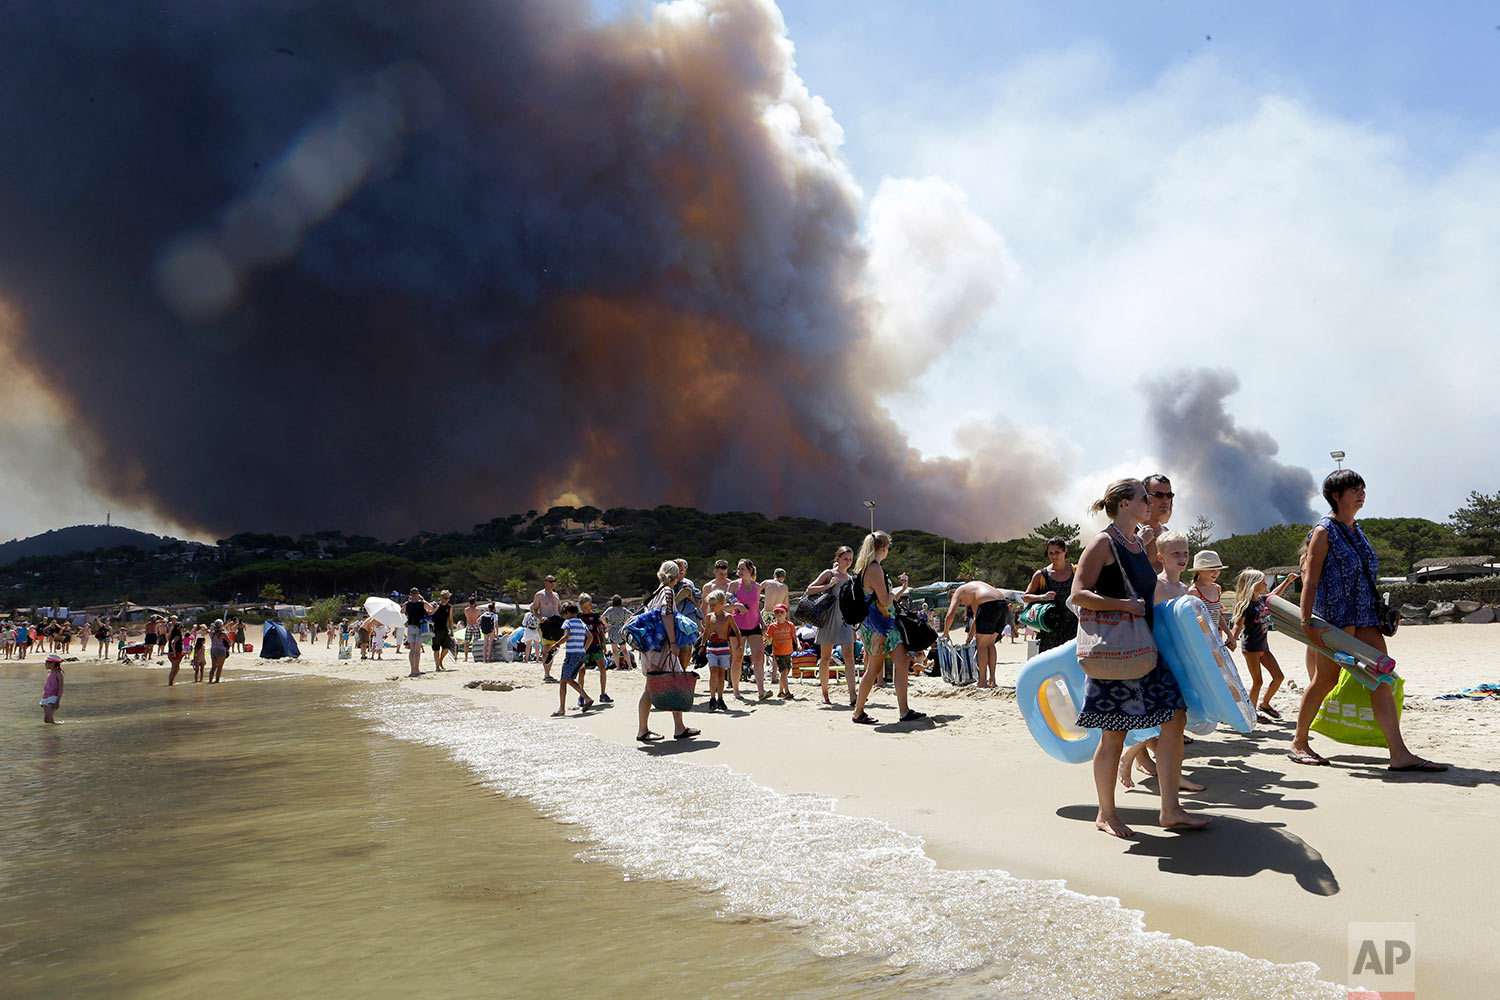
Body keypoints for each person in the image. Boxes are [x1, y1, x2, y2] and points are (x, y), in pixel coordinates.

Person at [1071, 479, 1207, 837]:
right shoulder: (1104, 542)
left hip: (1145, 649)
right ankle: (1106, 813)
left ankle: (1170, 809)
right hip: (1115, 651)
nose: (1150, 502)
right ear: (1125, 504)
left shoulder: (1135, 543)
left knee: (1175, 717)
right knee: (1113, 734)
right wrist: (1123, 606)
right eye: (1144, 498)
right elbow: (1078, 593)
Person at [1288, 469, 1446, 771]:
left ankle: (1399, 753)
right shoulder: (1324, 531)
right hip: (1333, 619)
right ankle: (1298, 741)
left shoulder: (1357, 530)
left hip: (1365, 617)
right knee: (1325, 680)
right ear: (1337, 496)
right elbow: (1310, 580)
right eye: (1354, 489)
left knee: (1382, 678)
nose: (1361, 493)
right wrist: (1307, 623)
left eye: (1363, 488)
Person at [1116, 530, 1205, 792]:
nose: (1182, 558)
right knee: (1167, 720)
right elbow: (1146, 622)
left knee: (1175, 720)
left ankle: (1132, 757)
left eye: (1186, 553)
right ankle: (1144, 762)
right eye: (1176, 553)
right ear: (1161, 557)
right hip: (1156, 661)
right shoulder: (1156, 585)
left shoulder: (1184, 589)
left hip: (1178, 661)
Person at [850, 531, 924, 726]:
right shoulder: (874, 569)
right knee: (873, 669)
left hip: (882, 625)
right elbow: (884, 600)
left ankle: (904, 710)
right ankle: (858, 712)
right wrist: (892, 596)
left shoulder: (868, 568)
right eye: (887, 547)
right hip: (879, 626)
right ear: (883, 548)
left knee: (901, 662)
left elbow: (881, 599)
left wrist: (897, 591)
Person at [636, 560, 700, 742]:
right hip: (661, 646)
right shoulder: (667, 591)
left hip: (650, 646)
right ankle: (644, 730)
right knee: (661, 684)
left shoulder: (656, 592)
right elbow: (667, 614)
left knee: (659, 683)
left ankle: (678, 727)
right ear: (676, 574)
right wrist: (673, 642)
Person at [1227, 568, 1298, 721]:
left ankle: (1264, 703)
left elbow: (1274, 595)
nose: (1266, 584)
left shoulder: (1261, 600)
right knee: (1258, 681)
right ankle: (1251, 713)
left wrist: (1287, 581)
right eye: (1262, 582)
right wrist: (1233, 639)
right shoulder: (1245, 605)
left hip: (1263, 647)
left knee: (1278, 677)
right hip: (1251, 648)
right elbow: (1238, 625)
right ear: (1252, 585)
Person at [942, 579, 1011, 688]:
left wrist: (946, 632)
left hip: (989, 605)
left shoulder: (958, 592)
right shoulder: (974, 590)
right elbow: (977, 618)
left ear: (952, 595)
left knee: (982, 646)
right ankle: (992, 680)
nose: (960, 604)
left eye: (958, 602)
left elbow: (950, 615)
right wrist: (970, 635)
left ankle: (982, 681)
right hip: (1003, 605)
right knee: (990, 644)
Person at [1022, 537, 1079, 654]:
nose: (1054, 556)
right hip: (1049, 629)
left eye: (1057, 552)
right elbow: (1026, 597)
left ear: (1065, 551)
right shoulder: (1041, 575)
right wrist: (1042, 597)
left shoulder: (1076, 571)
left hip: (1073, 628)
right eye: (1050, 553)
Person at [727, 559, 767, 700]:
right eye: (738, 569)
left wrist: (763, 623)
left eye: (742, 569)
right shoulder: (733, 585)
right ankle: (736, 691)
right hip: (737, 625)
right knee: (737, 657)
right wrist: (738, 605)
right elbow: (727, 602)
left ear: (750, 570)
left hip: (754, 624)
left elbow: (757, 608)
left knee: (758, 656)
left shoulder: (757, 586)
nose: (739, 571)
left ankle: (761, 691)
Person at [552, 601, 594, 717]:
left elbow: (566, 636)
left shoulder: (567, 622)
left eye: (564, 614)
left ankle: (562, 709)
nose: (563, 616)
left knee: (563, 681)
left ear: (567, 613)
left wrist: (556, 644)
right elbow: (590, 637)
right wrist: (584, 649)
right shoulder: (581, 622)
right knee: (569, 679)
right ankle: (586, 698)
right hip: (581, 654)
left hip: (572, 654)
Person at [700, 591, 740, 711]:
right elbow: (706, 632)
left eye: (714, 604)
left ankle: (720, 698)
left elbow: (737, 631)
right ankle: (712, 698)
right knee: (713, 672)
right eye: (710, 605)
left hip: (723, 647)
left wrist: (739, 644)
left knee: (722, 674)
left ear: (722, 603)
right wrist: (702, 645)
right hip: (711, 647)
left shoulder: (728, 617)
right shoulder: (709, 617)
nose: (711, 607)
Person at [1187, 551, 1234, 647]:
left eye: (1218, 569)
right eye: (1211, 569)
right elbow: (1193, 619)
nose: (1216, 572)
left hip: (1215, 636)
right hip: (1201, 639)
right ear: (1199, 570)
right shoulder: (1194, 591)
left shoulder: (1217, 588)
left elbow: (1217, 614)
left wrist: (1229, 634)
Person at [577, 594, 612, 705]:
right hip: (584, 647)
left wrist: (604, 644)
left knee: (602, 668)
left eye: (586, 607)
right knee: (582, 671)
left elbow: (600, 631)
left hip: (596, 646)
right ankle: (581, 695)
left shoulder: (595, 616)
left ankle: (603, 694)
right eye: (582, 607)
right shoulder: (579, 617)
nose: (584, 609)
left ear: (590, 605)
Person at [672, 558, 703, 671]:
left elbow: (698, 605)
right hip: (672, 619)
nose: (680, 575)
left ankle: (682, 671)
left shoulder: (689, 584)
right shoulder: (668, 584)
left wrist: (689, 598)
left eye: (682, 572)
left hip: (686, 620)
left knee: (686, 647)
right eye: (678, 571)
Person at [1140, 473, 1174, 571]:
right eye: (1159, 495)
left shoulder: (1166, 533)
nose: (1166, 500)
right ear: (1145, 497)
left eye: (1169, 495)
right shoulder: (1133, 531)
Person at [403, 588, 436, 678]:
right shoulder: (422, 603)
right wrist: (422, 599)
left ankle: (412, 670)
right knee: (417, 650)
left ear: (410, 594)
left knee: (412, 650)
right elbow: (431, 608)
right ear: (418, 594)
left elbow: (402, 611)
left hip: (410, 627)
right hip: (419, 627)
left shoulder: (407, 604)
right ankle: (416, 669)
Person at [766, 604, 796, 699]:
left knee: (785, 673)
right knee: (784, 671)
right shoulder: (772, 626)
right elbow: (769, 639)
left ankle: (780, 692)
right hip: (778, 653)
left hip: (788, 652)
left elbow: (795, 637)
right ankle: (787, 692)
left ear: (786, 613)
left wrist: (798, 645)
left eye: (781, 612)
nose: (779, 614)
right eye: (776, 612)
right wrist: (764, 634)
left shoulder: (790, 625)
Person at [601, 595, 632, 671]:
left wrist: (606, 624)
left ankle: (618, 667)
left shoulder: (610, 609)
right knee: (624, 649)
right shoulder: (623, 609)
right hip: (621, 630)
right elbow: (632, 615)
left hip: (612, 630)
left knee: (614, 650)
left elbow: (602, 617)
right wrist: (626, 622)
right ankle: (630, 666)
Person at [430, 591, 456, 671]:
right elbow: (429, 614)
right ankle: (437, 666)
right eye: (445, 598)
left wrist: (452, 630)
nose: (446, 600)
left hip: (445, 629)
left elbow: (450, 619)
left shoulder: (449, 607)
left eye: (448, 598)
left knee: (446, 648)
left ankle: (440, 661)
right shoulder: (436, 605)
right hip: (435, 629)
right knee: (436, 648)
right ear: (441, 597)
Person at [40, 654, 64, 723]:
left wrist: (58, 701)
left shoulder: (59, 674)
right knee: (47, 720)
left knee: (48, 718)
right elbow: (46, 686)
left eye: (47, 662)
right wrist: (42, 699)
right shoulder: (49, 673)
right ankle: (51, 732)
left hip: (53, 698)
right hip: (45, 697)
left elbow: (61, 688)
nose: (45, 664)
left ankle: (53, 732)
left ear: (53, 663)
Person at [461, 596, 483, 663]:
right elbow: (479, 618)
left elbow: (466, 617)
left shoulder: (466, 609)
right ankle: (477, 656)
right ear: (474, 602)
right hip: (475, 625)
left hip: (469, 625)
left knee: (467, 642)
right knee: (477, 641)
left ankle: (466, 657)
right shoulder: (477, 610)